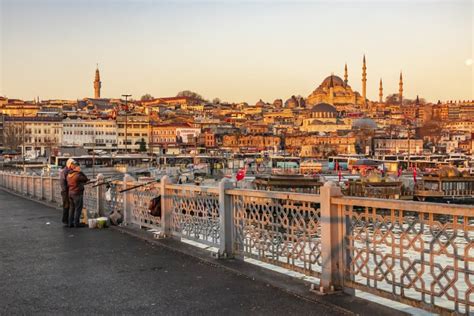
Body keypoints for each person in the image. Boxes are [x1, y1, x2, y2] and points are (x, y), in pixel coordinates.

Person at [66, 162, 89, 228]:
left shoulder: (69, 175)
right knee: (78, 209)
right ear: (75, 168)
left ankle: (70, 223)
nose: (80, 168)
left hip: (70, 193)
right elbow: (85, 179)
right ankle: (76, 223)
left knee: (72, 209)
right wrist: (81, 172)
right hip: (77, 193)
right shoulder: (78, 175)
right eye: (79, 167)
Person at [59, 158, 76, 226]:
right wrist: (65, 190)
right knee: (67, 206)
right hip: (66, 191)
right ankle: (65, 220)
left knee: (70, 206)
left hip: (69, 191)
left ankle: (69, 220)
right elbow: (63, 182)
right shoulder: (65, 171)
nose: (73, 165)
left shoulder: (69, 171)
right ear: (69, 164)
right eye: (72, 164)